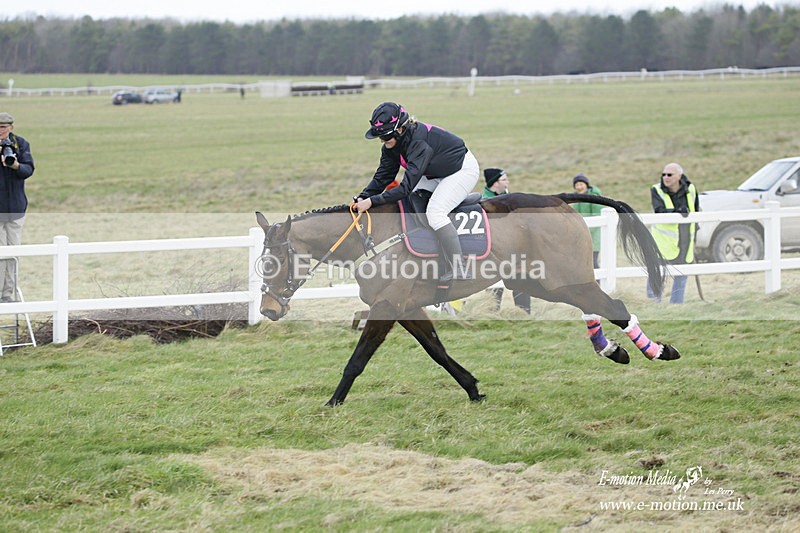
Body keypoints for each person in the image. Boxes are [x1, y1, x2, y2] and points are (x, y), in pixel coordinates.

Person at [354, 102, 480, 295]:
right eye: (379, 136)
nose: (381, 141)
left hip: (460, 171)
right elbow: (383, 177)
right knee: (411, 202)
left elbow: (405, 188)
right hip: (434, 172)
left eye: (385, 136)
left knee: (435, 213)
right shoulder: (392, 145)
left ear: (400, 129)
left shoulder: (418, 143)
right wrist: (363, 196)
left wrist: (372, 201)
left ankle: (459, 266)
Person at [648, 162, 699, 304]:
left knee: (681, 274)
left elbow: (696, 212)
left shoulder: (691, 189)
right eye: (663, 174)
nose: (666, 177)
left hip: (686, 239)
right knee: (658, 273)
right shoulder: (657, 190)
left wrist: (696, 236)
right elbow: (659, 210)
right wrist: (677, 212)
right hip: (663, 242)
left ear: (679, 176)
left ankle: (677, 304)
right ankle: (653, 302)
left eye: (669, 175)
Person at [481, 167, 530, 313]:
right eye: (504, 179)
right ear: (495, 183)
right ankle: (492, 317)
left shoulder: (510, 199)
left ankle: (524, 315)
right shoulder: (483, 203)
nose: (507, 182)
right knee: (494, 289)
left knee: (521, 282)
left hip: (515, 251)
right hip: (494, 253)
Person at [0, 112, 35, 303]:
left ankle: (8, 295)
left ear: (11, 128)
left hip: (15, 208)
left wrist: (15, 165)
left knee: (14, 254)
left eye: (3, 127)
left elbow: (28, 170)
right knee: (1, 255)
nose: (0, 131)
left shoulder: (20, 144)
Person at [571, 173, 602, 269]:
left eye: (581, 184)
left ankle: (599, 279)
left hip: (594, 235)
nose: (579, 187)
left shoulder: (594, 197)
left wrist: (585, 230)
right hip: (581, 236)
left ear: (586, 185)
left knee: (593, 262)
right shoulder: (575, 198)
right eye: (577, 185)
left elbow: (597, 215)